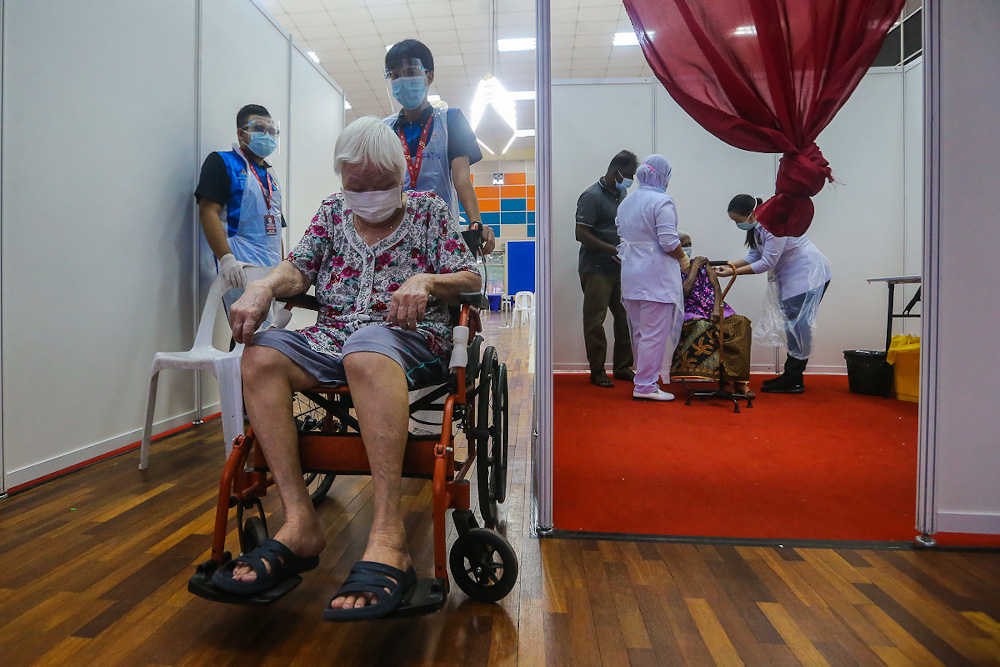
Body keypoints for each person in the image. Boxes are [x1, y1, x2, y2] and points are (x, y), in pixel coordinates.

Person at [210, 117, 481, 620]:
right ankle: (298, 521)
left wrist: (425, 280)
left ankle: (387, 535)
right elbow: (299, 266)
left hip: (408, 339)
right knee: (261, 355)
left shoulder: (428, 211)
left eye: (381, 186)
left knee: (367, 347)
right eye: (357, 186)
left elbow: (471, 275)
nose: (369, 196)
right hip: (334, 336)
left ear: (402, 177)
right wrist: (263, 287)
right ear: (342, 181)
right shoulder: (334, 212)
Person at [382, 39, 495, 254]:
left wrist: (475, 224)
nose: (402, 80)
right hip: (393, 231)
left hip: (441, 231)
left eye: (410, 72)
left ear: (429, 76)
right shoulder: (384, 129)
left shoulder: (451, 120)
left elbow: (461, 178)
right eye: (395, 75)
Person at [715, 194, 832, 393]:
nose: (738, 225)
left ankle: (794, 378)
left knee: (798, 326)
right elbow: (755, 254)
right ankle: (791, 376)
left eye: (738, 221)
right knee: (792, 325)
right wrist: (729, 265)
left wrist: (733, 272)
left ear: (752, 214)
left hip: (807, 274)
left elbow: (767, 263)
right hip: (794, 277)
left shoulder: (773, 226)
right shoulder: (759, 225)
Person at [195, 104, 285, 311]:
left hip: (270, 268)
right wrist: (227, 259)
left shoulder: (270, 176)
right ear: (241, 133)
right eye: (259, 129)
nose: (267, 136)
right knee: (247, 329)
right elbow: (208, 211)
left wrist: (282, 266)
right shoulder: (223, 162)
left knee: (265, 330)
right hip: (240, 264)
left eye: (272, 132)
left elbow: (276, 226)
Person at [615, 154, 689, 401]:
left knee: (639, 332)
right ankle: (646, 385)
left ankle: (642, 380)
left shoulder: (626, 203)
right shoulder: (662, 201)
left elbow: (623, 234)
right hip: (655, 276)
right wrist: (683, 258)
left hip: (632, 274)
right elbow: (668, 241)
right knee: (654, 334)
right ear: (662, 176)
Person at [576, 150, 639, 388]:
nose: (631, 180)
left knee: (625, 318)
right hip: (596, 268)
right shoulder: (591, 196)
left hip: (619, 267)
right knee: (595, 320)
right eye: (629, 175)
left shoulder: (621, 193)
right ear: (616, 172)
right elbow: (581, 234)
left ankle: (623, 368)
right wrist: (613, 250)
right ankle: (597, 371)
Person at [670, 234, 755, 398]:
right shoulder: (669, 267)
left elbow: (716, 286)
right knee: (704, 327)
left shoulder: (701, 263)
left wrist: (716, 308)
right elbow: (685, 291)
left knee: (740, 324)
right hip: (690, 310)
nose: (688, 247)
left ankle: (740, 381)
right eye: (684, 245)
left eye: (690, 244)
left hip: (712, 306)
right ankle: (721, 380)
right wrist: (693, 269)